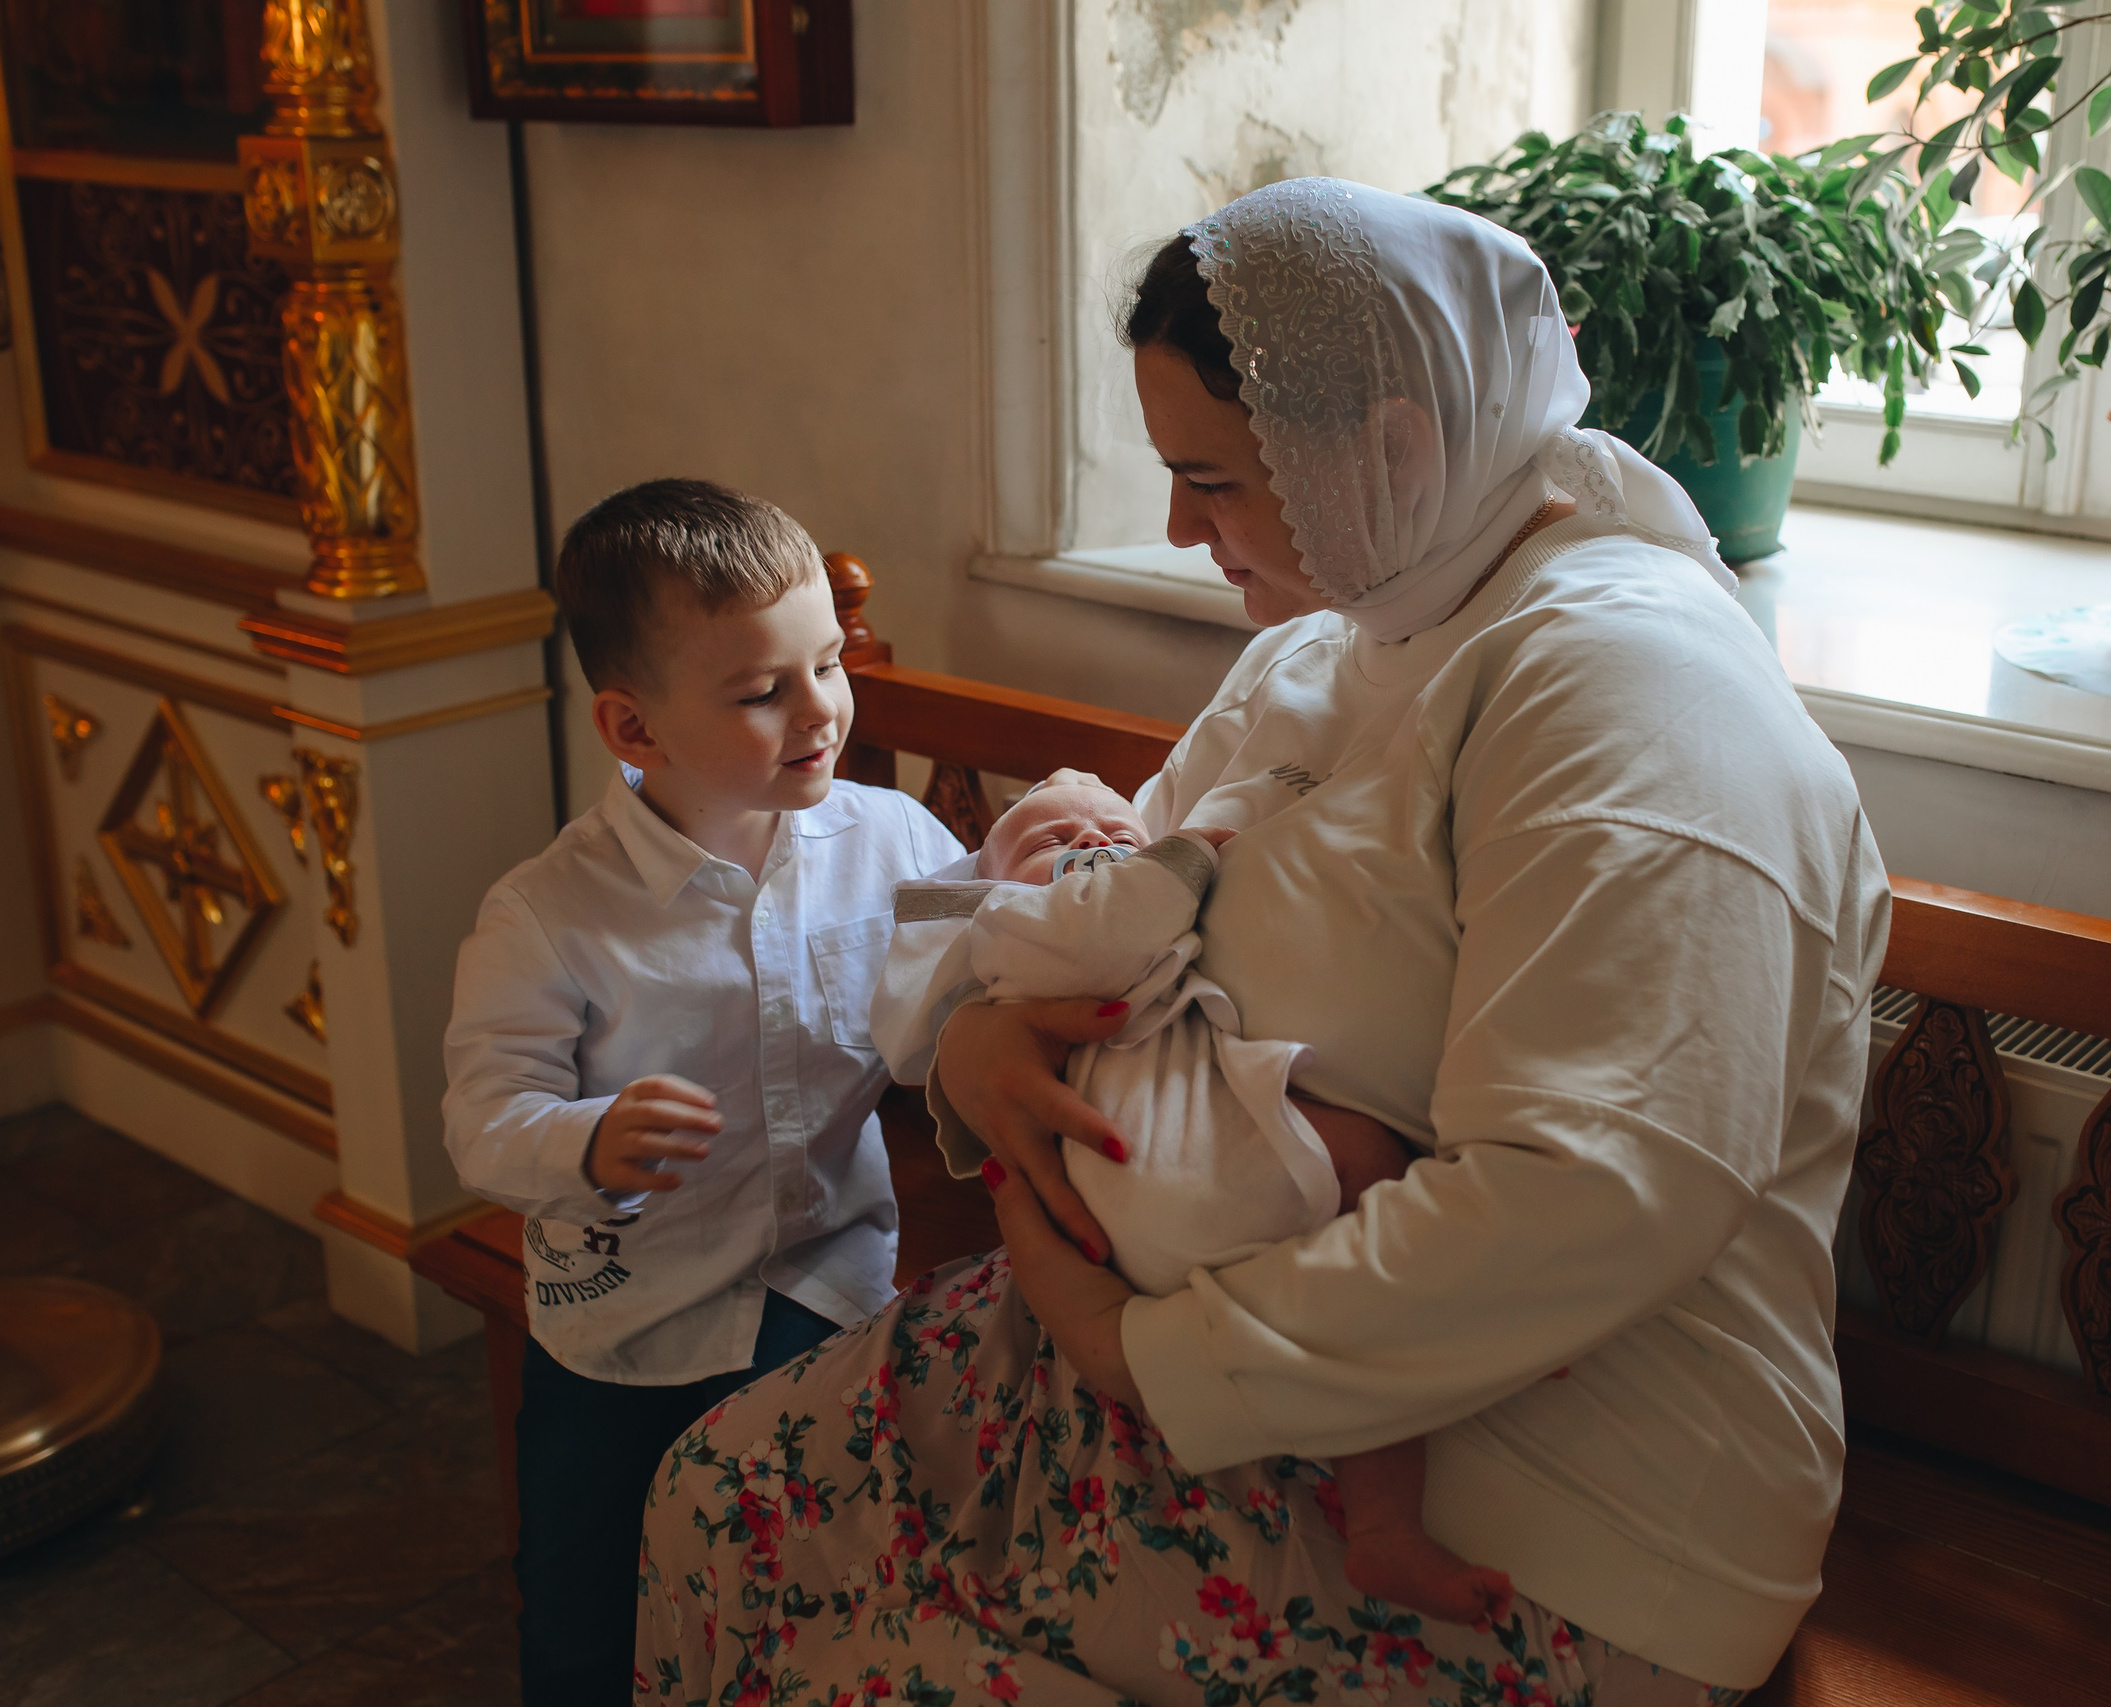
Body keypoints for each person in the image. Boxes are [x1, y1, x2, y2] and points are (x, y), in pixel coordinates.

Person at [636, 180, 1889, 1705]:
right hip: (1177, 1339)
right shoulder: (1332, 636)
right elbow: (1098, 907)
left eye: (1212, 479)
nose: (1177, 526)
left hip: (1549, 1499)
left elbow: (1599, 1192)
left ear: (1393, 446)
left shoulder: (1635, 697)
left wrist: (1129, 1351)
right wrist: (974, 1037)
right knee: (713, 1495)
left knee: (862, 1673)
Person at [442, 479, 964, 1705]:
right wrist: (588, 1141)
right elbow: (484, 1118)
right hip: (628, 1323)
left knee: (808, 1589)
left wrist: (1039, 876)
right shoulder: (549, 915)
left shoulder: (890, 842)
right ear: (633, 730)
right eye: (761, 692)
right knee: (585, 1608)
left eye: (828, 665)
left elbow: (965, 991)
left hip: (826, 1285)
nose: (821, 710)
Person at [875, 778, 1512, 1623]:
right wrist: (1186, 854)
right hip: (1153, 1161)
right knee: (1374, 1171)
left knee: (1365, 1265)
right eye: (1047, 839)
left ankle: (1385, 1525)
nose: (1092, 839)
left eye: (1115, 827)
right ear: (986, 889)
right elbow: (1112, 924)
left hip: (1152, 1187)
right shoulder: (1015, 931)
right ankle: (1472, 1318)